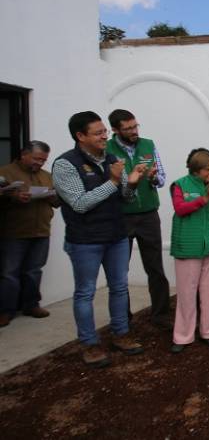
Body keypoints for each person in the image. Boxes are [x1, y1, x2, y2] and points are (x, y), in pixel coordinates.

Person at [52, 111, 145, 368]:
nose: (105, 136)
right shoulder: (65, 164)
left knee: (119, 287)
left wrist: (133, 183)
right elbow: (80, 203)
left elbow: (125, 195)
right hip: (85, 241)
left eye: (105, 131)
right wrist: (114, 181)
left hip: (116, 236)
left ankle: (121, 334)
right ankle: (90, 344)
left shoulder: (112, 158)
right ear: (80, 136)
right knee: (85, 292)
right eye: (98, 133)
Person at [106, 109, 171, 329]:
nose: (134, 131)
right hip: (121, 216)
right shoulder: (107, 149)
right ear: (115, 130)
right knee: (119, 270)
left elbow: (162, 177)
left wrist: (153, 178)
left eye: (135, 126)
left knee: (155, 267)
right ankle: (123, 318)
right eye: (128, 128)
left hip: (149, 214)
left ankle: (161, 314)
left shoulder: (148, 144)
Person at [170, 149, 209, 353]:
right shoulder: (180, 184)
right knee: (187, 293)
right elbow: (180, 209)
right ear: (196, 170)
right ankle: (183, 336)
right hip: (188, 246)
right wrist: (204, 198)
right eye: (208, 169)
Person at [0, 141, 60, 327]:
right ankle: (6, 310)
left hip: (41, 231)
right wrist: (12, 196)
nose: (40, 163)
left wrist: (52, 196)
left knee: (34, 271)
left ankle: (31, 305)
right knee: (9, 273)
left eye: (43, 160)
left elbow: (58, 202)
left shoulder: (46, 176)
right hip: (14, 231)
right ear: (24, 154)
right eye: (36, 159)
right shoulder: (5, 173)